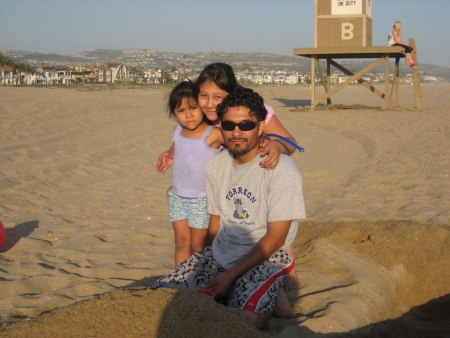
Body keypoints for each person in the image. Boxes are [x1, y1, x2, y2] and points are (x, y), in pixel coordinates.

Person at [153, 86, 306, 329]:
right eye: (229, 125)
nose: (237, 132)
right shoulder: (216, 167)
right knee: (160, 295)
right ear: (219, 127)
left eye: (246, 125)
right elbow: (215, 222)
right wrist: (210, 262)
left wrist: (230, 275)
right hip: (221, 252)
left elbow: (276, 237)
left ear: (261, 127)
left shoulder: (281, 170)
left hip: (265, 256)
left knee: (243, 320)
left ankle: (270, 295)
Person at [163, 80, 223, 264]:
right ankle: (180, 282)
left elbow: (238, 145)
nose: (188, 115)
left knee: (198, 246)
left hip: (201, 198)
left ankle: (198, 283)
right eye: (181, 111)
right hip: (177, 196)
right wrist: (169, 154)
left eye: (193, 108)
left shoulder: (213, 133)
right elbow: (178, 149)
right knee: (181, 242)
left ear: (202, 108)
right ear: (174, 114)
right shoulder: (178, 131)